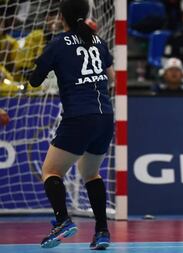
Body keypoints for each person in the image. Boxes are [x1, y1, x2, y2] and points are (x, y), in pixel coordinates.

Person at [29, 0, 113, 249]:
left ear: (62, 17)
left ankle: (63, 220)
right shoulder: (99, 41)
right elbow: (109, 74)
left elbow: (34, 82)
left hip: (79, 117)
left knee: (51, 172)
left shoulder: (57, 44)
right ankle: (102, 232)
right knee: (91, 174)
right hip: (105, 117)